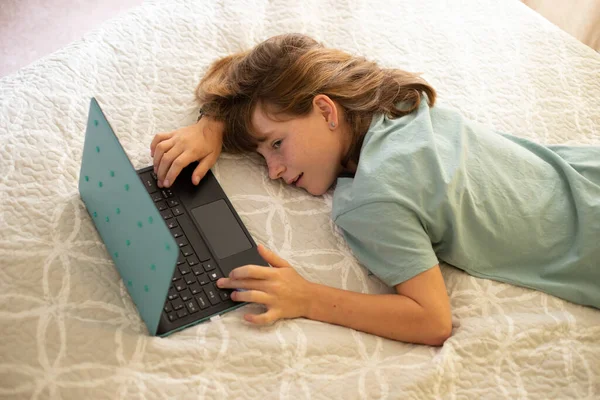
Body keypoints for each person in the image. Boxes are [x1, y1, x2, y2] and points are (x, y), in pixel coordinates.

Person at [150, 33, 600, 346]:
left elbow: (432, 320)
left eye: (276, 145)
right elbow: (285, 55)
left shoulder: (372, 199)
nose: (272, 171)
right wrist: (214, 124)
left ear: (326, 110)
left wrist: (306, 297)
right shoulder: (396, 102)